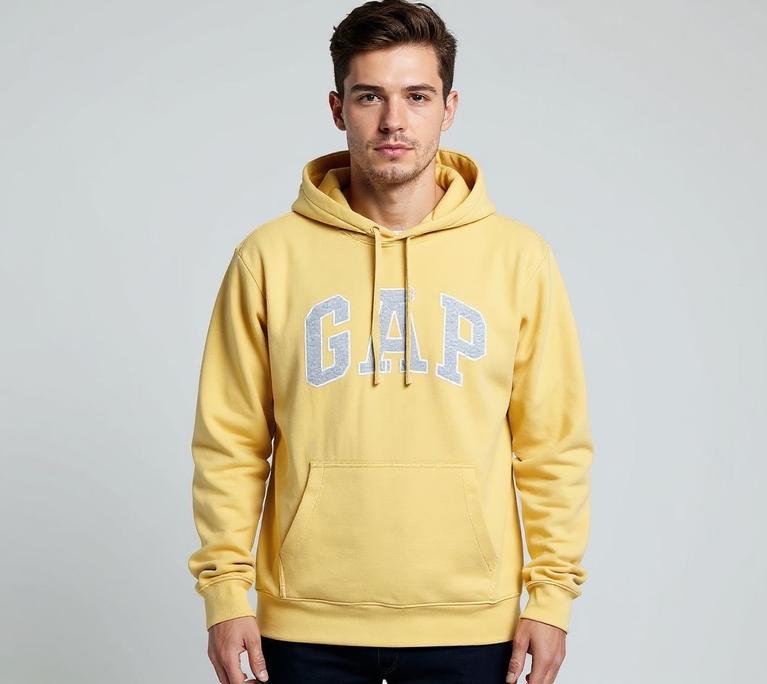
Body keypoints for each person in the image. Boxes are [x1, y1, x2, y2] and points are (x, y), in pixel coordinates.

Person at [187, 1, 594, 682]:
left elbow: (553, 445)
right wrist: (226, 594)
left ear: (449, 108)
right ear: (337, 108)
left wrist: (551, 600)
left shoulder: (518, 258)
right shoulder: (268, 258)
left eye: (417, 96)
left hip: (471, 623)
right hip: (303, 623)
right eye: (369, 96)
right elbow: (230, 442)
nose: (393, 120)